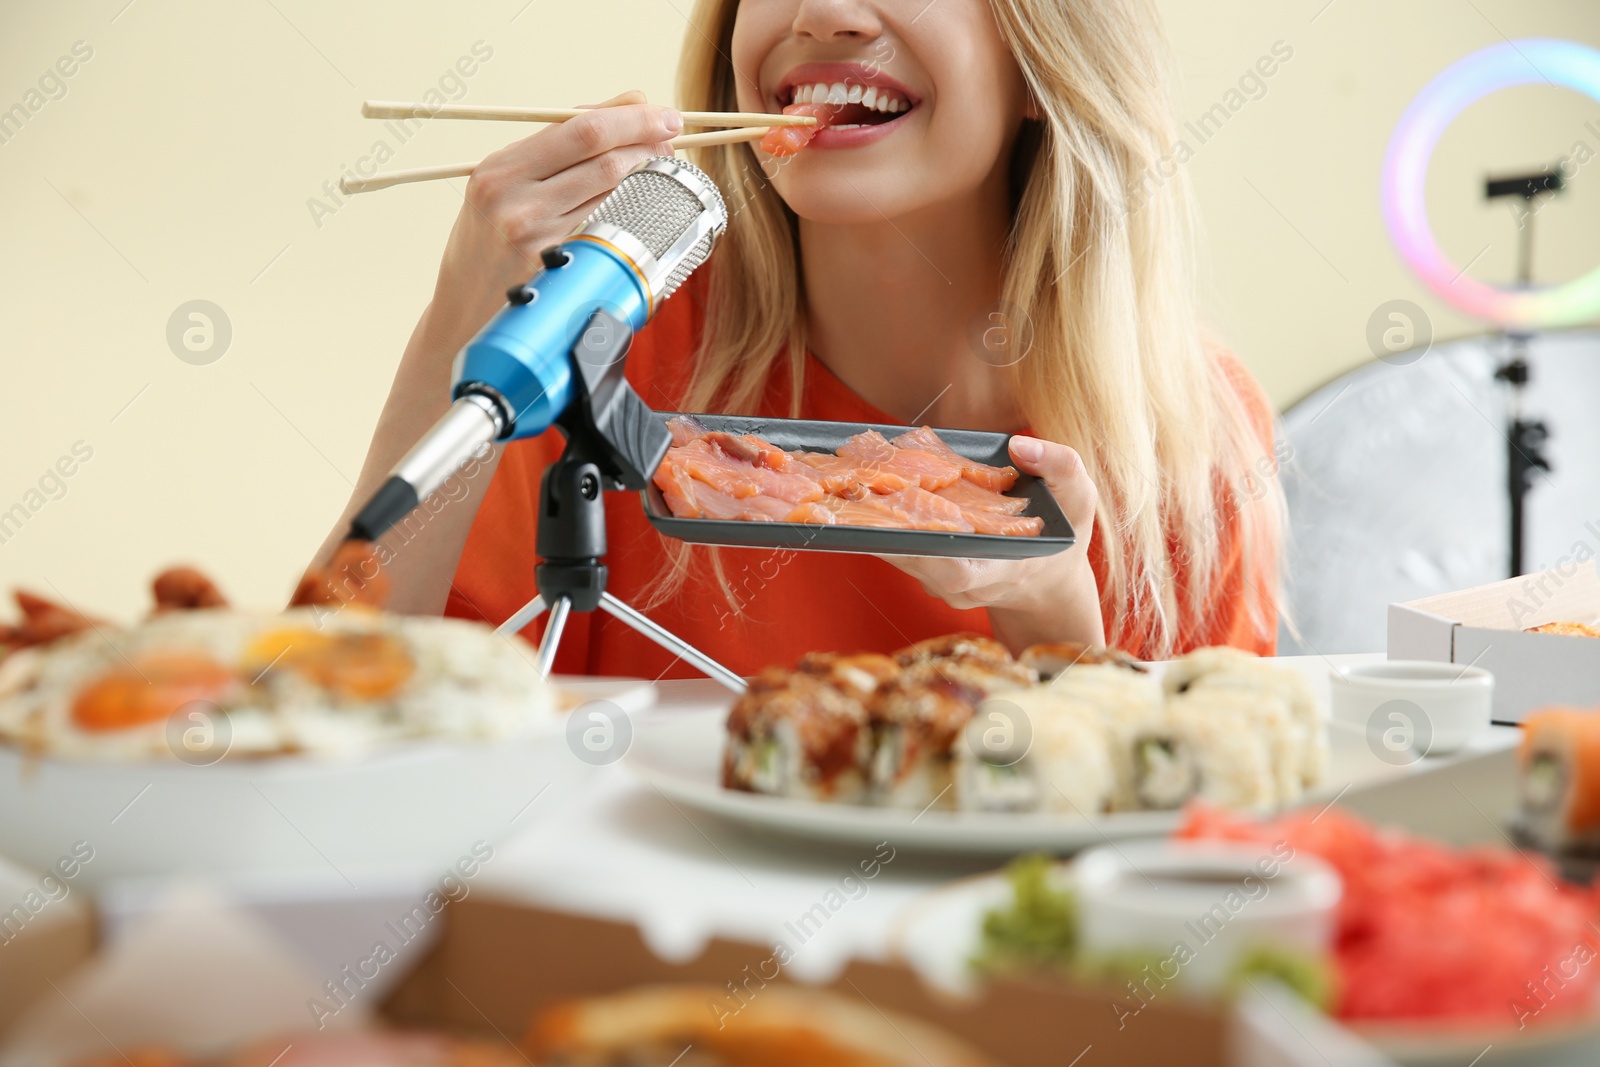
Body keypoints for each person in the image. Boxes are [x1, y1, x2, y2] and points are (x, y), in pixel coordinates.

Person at [314, 0, 1285, 677]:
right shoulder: (602, 350)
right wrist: (466, 310)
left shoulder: (1189, 430)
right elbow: (330, 710)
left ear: (1043, 60)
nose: (823, 12)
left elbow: (1179, 877)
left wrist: (1051, 617)